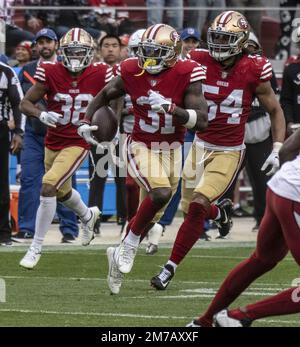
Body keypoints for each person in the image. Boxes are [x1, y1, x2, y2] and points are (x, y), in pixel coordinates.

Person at [150, 11, 286, 291]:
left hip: (229, 150)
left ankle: (169, 267)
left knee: (198, 203)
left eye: (226, 38)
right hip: (200, 145)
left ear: (240, 40)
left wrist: (277, 147)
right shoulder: (198, 60)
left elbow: (275, 109)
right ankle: (220, 214)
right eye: (216, 37)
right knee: (190, 209)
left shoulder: (254, 67)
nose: (219, 43)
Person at [78, 23, 208, 294]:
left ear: (172, 53)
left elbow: (202, 122)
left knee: (152, 213)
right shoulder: (130, 69)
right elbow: (104, 95)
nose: (148, 58)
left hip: (172, 148)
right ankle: (128, 246)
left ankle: (117, 253)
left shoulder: (187, 71)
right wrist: (86, 119)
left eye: (156, 52)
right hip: (140, 144)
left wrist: (173, 109)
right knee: (159, 193)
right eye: (146, 51)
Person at [18, 27, 113, 269]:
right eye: (70, 52)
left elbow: (117, 100)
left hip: (78, 140)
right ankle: (87, 215)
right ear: (62, 52)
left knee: (48, 185)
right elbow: (25, 103)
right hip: (53, 140)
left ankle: (36, 247)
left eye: (80, 52)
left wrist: (110, 126)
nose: (74, 57)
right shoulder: (50, 71)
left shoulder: (101, 72)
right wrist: (41, 114)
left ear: (90, 53)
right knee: (62, 192)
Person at [187, 127, 300, 327]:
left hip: (279, 187)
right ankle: (238, 317)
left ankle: (204, 321)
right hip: (293, 196)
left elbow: (286, 150)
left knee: (263, 259)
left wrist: (290, 182)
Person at [14, 28, 80, 243]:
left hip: (63, 133)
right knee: (30, 178)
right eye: (40, 42)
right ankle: (26, 228)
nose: (44, 45)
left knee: (63, 181)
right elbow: (21, 103)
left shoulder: (68, 67)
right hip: (34, 133)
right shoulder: (26, 70)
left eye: (48, 41)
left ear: (56, 45)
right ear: (35, 46)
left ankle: (69, 229)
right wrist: (20, 130)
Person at [89, 34, 127, 234]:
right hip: (98, 131)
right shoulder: (95, 71)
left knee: (123, 179)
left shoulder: (127, 69)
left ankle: (125, 220)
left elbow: (120, 101)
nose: (110, 49)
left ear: (121, 49)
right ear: (99, 49)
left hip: (121, 132)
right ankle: (93, 223)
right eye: (106, 46)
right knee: (97, 178)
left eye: (114, 45)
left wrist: (115, 124)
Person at [0, 61, 24, 246]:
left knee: (1, 184)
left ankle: (4, 232)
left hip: (0, 130)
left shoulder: (6, 72)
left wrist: (19, 132)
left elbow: (18, 102)